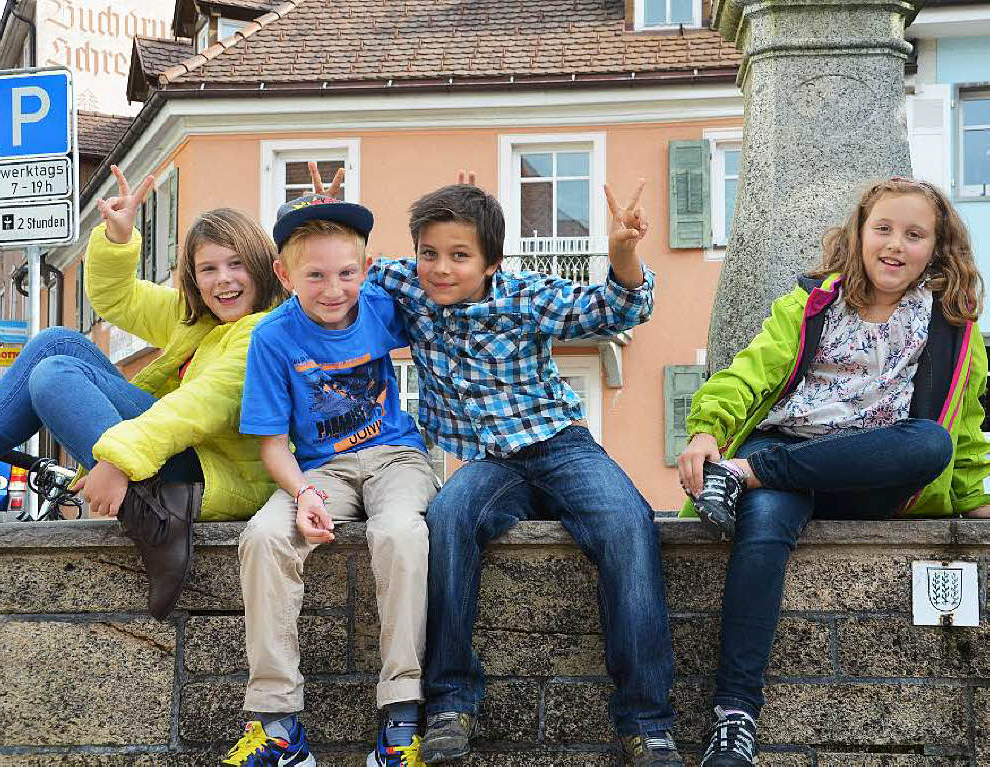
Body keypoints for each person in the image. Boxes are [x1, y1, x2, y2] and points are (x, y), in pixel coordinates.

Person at [677, 176, 990, 765]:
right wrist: (706, 431)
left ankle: (749, 472)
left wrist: (975, 500)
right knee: (764, 530)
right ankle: (733, 719)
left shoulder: (954, 328)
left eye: (915, 234)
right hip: (790, 455)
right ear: (861, 234)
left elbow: (965, 427)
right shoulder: (812, 304)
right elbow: (747, 374)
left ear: (937, 247)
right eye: (884, 229)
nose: (896, 245)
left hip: (870, 474)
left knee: (930, 443)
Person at [369, 180, 681, 766]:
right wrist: (310, 215)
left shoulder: (523, 297)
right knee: (447, 517)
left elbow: (615, 309)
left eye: (459, 257)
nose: (440, 270)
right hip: (490, 463)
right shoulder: (403, 284)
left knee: (628, 523)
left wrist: (621, 253)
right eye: (429, 254)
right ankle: (451, 705)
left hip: (560, 445)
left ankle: (646, 722)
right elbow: (331, 270)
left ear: (491, 262)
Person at [0, 165, 287, 620]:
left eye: (236, 264)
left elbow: (200, 406)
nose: (224, 280)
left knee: (55, 374)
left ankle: (150, 512)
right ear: (193, 280)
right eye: (208, 269)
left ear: (260, 266)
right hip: (172, 449)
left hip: (213, 469)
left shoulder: (265, 333)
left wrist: (117, 460)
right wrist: (118, 240)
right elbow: (116, 299)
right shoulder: (196, 318)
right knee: (56, 342)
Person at [227, 192, 439, 767]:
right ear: (284, 273)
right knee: (265, 538)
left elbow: (445, 296)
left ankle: (401, 717)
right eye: (315, 275)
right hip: (322, 469)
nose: (332, 289)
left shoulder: (380, 305)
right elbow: (274, 444)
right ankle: (278, 725)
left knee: (398, 533)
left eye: (346, 272)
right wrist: (304, 495)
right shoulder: (272, 337)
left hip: (397, 457)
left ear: (366, 269)